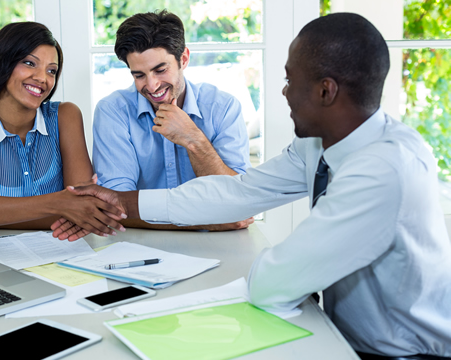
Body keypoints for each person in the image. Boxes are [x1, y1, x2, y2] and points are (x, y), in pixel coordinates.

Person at [53, 13, 451, 359]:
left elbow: (268, 284)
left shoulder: (382, 170)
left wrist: (281, 268)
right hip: (347, 334)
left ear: (326, 91)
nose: (283, 92)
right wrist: (119, 200)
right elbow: (238, 193)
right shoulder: (315, 145)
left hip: (402, 352)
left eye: (289, 79)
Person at [0, 22, 124, 236]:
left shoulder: (65, 117)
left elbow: (83, 210)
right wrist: (59, 203)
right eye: (29, 63)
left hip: (56, 255)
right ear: (2, 62)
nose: (42, 78)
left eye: (51, 71)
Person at [92, 10, 254, 231]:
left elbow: (239, 201)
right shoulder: (113, 111)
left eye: (160, 70)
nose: (151, 86)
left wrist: (193, 139)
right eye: (139, 75)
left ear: (183, 59)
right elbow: (114, 206)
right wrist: (201, 221)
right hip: (140, 241)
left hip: (219, 241)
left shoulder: (223, 108)